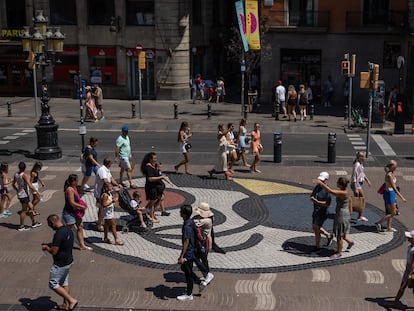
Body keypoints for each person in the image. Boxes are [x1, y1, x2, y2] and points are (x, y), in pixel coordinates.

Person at [42, 214, 78, 311]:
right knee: (64, 283)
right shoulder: (68, 230)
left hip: (60, 263)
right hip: (69, 260)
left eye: (50, 225)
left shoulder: (58, 234)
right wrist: (51, 244)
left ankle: (71, 300)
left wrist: (46, 248)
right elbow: (63, 244)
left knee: (53, 283)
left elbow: (54, 251)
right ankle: (65, 304)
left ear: (53, 222)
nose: (50, 227)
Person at [315, 177, 354, 259]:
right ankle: (350, 242)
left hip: (342, 215)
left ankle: (339, 252)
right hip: (343, 214)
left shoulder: (343, 193)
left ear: (340, 184)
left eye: (337, 182)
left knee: (339, 235)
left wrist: (321, 183)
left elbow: (330, 191)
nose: (336, 183)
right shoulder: (346, 191)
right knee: (342, 233)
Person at [177, 204, 202, 301]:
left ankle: (189, 294)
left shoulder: (187, 226)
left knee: (188, 273)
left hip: (189, 252)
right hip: (192, 251)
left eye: (181, 212)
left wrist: (182, 256)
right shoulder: (190, 222)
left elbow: (186, 241)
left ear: (184, 214)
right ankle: (198, 282)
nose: (179, 213)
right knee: (185, 268)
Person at [375, 160, 406, 232]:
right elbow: (393, 187)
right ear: (392, 166)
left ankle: (389, 227)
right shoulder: (389, 175)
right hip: (389, 194)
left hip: (390, 193)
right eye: (395, 166)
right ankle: (378, 223)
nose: (396, 167)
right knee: (394, 212)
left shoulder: (391, 172)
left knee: (390, 212)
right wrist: (402, 197)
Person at [62, 174, 91, 251]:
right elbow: (72, 202)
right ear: (73, 181)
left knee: (80, 226)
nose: (78, 181)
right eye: (77, 180)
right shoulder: (69, 189)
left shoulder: (74, 188)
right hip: (69, 212)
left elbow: (77, 199)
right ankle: (62, 244)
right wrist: (82, 206)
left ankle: (82, 245)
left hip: (76, 212)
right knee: (69, 229)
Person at [386, 230, 414, 308]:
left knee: (402, 286)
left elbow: (413, 263)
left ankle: (395, 303)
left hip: (410, 271)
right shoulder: (411, 246)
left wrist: (410, 274)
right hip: (409, 269)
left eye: (410, 237)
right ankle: (395, 301)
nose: (408, 238)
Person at [141, 152, 172, 223]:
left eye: (156, 158)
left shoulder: (153, 165)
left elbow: (157, 173)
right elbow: (150, 179)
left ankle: (150, 213)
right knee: (152, 203)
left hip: (155, 187)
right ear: (150, 159)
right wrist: (160, 177)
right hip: (151, 188)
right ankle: (151, 216)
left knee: (160, 198)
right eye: (154, 158)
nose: (156, 159)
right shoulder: (148, 167)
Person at [13, 161, 42, 231]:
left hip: (21, 193)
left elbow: (13, 184)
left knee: (31, 208)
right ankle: (21, 226)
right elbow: (30, 185)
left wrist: (17, 190)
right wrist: (37, 192)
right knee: (23, 211)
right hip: (24, 194)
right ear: (25, 168)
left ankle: (34, 223)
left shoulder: (16, 174)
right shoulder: (24, 175)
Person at [192, 202, 215, 289]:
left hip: (204, 243)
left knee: (200, 258)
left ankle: (207, 275)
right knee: (202, 259)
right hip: (202, 242)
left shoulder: (206, 221)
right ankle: (206, 275)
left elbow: (194, 223)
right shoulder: (204, 219)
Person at [94, 157, 120, 232]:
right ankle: (99, 224)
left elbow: (111, 178)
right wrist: (113, 188)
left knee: (103, 207)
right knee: (101, 207)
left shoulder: (107, 170)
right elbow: (105, 181)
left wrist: (117, 184)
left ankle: (102, 221)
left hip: (106, 191)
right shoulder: (102, 170)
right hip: (100, 192)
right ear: (109, 164)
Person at [310, 172, 333, 251]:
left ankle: (317, 246)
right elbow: (312, 195)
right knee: (315, 227)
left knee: (317, 228)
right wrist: (312, 197)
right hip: (316, 211)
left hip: (322, 212)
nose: (320, 181)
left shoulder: (327, 191)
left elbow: (327, 203)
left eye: (322, 180)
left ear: (326, 180)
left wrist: (316, 201)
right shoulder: (317, 187)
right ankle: (328, 235)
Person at [350, 151, 371, 222]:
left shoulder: (360, 164)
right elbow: (354, 177)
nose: (364, 158)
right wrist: (355, 188)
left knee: (359, 200)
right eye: (362, 156)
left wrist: (367, 180)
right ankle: (358, 215)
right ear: (359, 157)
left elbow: (362, 173)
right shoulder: (357, 165)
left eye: (364, 156)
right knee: (361, 200)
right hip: (356, 184)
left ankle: (358, 214)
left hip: (358, 183)